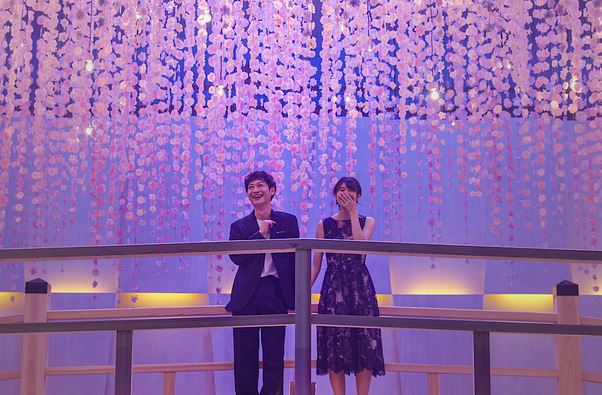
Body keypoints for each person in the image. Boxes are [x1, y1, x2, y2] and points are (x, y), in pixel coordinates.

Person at [227, 170, 300, 395]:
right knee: (244, 356)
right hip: (246, 295)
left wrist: (296, 297)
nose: (255, 190)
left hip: (275, 291)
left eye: (260, 186)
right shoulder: (239, 226)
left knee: (274, 355)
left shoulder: (288, 221)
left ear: (272, 190)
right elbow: (237, 257)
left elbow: (296, 259)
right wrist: (259, 234)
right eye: (251, 187)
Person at [310, 176, 385, 395]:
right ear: (334, 195)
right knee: (335, 345)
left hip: (360, 288)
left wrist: (352, 213)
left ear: (358, 195)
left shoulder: (367, 221)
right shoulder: (323, 225)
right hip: (333, 288)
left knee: (364, 342)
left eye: (350, 190)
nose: (345, 193)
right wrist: (302, 291)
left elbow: (359, 248)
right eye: (341, 189)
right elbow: (316, 264)